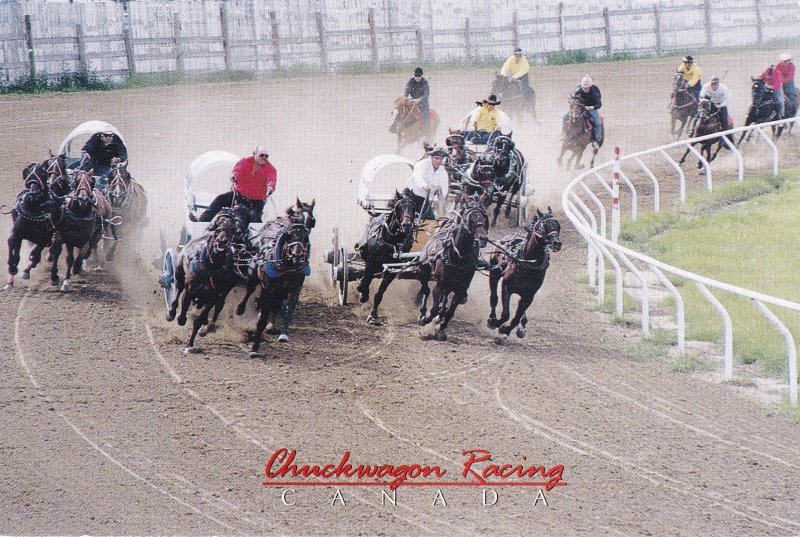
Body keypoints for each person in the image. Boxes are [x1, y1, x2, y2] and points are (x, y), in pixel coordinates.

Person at [196, 146, 277, 223]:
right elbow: (238, 170)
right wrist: (234, 175)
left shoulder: (271, 169)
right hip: (239, 197)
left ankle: (255, 235)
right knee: (220, 199)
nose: (264, 158)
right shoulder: (244, 161)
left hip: (256, 201)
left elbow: (271, 179)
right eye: (261, 155)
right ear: (254, 153)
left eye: (266, 156)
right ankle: (202, 221)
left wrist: (270, 187)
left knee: (255, 217)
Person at [406, 147, 449, 219]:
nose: (439, 161)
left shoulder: (443, 172)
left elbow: (445, 187)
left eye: (441, 159)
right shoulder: (422, 164)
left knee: (430, 218)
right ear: (431, 158)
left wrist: (440, 193)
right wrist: (424, 185)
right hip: (411, 194)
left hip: (424, 199)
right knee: (406, 215)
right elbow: (418, 177)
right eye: (436, 158)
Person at [570, 76, 603, 147]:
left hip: (591, 109)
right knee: (566, 116)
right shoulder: (578, 89)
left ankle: (597, 140)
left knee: (598, 123)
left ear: (590, 86)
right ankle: (564, 134)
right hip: (580, 108)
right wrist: (573, 97)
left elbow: (599, 104)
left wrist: (591, 107)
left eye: (587, 87)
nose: (585, 89)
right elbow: (572, 96)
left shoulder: (595, 91)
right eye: (583, 87)